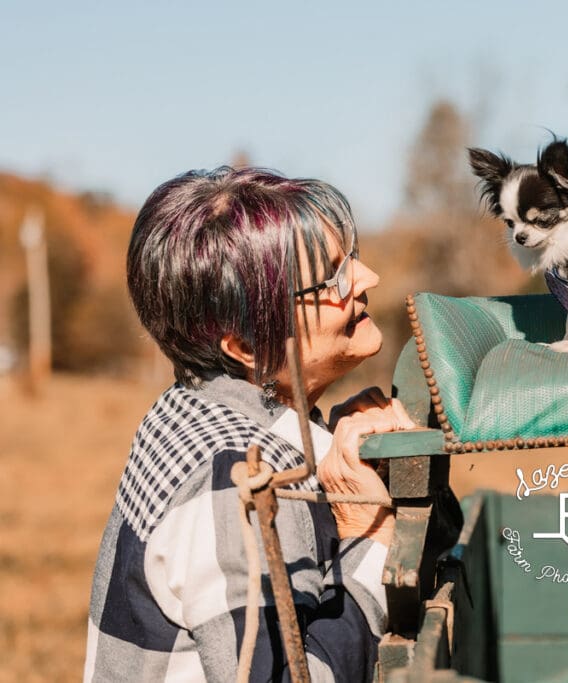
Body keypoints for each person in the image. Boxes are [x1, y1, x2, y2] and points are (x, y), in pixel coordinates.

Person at [85, 167, 414, 682]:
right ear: (244, 346)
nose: (368, 278)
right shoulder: (234, 474)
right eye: (334, 279)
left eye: (351, 258)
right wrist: (367, 536)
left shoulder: (193, 408)